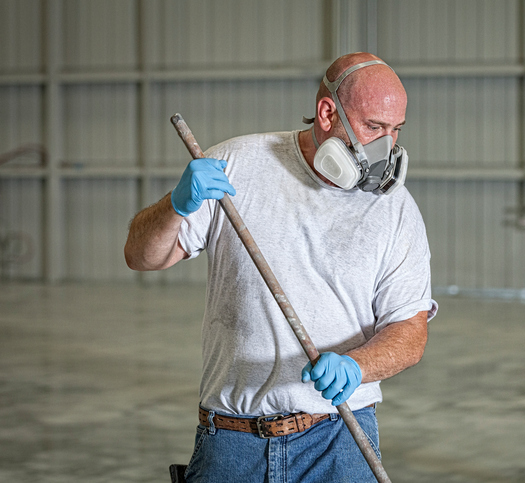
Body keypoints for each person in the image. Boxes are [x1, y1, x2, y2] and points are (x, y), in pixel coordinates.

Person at [124, 52, 438, 482]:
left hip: (339, 439)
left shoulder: (395, 210)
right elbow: (141, 256)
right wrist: (176, 207)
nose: (386, 146)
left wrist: (356, 367)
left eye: (395, 129)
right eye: (373, 127)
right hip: (233, 440)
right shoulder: (237, 166)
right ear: (328, 113)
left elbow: (410, 332)